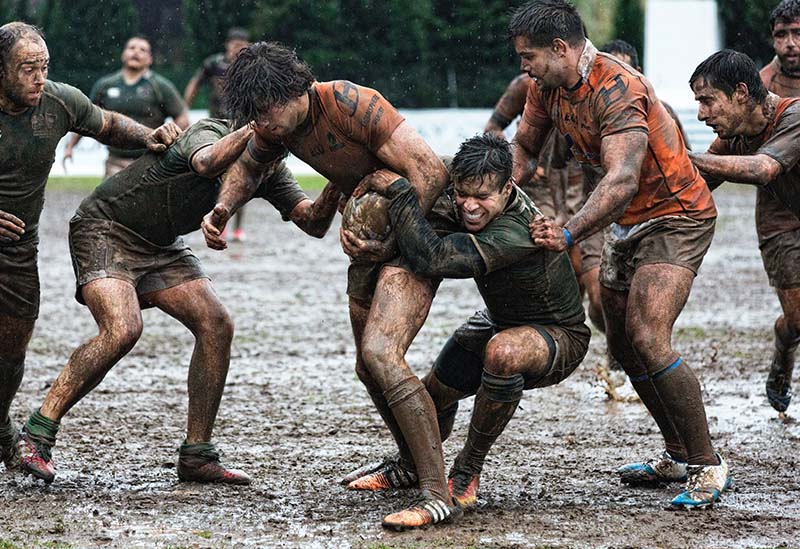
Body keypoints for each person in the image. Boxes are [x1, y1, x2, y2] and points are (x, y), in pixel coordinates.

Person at [201, 42, 458, 529]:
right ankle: (410, 464)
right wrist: (221, 210)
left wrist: (394, 243)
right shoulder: (276, 126)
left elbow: (430, 172)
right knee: (368, 366)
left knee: (383, 354)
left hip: (421, 232)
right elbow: (250, 168)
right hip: (369, 240)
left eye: (267, 111)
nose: (262, 124)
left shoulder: (348, 102)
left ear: (296, 89)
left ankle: (435, 493)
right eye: (253, 114)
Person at [17, 117, 341, 485]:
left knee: (216, 324)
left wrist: (341, 180)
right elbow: (207, 162)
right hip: (105, 228)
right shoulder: (209, 132)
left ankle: (197, 455)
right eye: (286, 128)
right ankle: (37, 433)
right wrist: (258, 129)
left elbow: (313, 222)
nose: (292, 139)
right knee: (122, 328)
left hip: (161, 245)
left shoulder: (270, 169)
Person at [510, 0, 729, 507]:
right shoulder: (546, 88)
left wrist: (567, 233)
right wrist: (490, 185)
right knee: (625, 344)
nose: (523, 68)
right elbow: (523, 147)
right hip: (626, 221)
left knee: (649, 336)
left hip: (676, 214)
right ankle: (675, 454)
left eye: (529, 57)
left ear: (560, 48)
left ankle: (708, 465)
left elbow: (623, 178)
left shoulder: (618, 87)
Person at [345, 133, 590, 512]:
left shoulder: (519, 230)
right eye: (463, 194)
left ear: (508, 187)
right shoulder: (460, 191)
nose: (470, 206)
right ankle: (410, 465)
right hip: (497, 322)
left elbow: (435, 258)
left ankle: (466, 469)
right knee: (430, 396)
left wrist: (401, 192)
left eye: (483, 197)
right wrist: (378, 245)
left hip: (557, 335)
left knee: (503, 352)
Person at [0, 22, 180, 473]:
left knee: (11, 352)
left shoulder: (58, 100)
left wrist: (148, 136)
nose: (39, 78)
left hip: (17, 251)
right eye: (27, 69)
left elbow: (108, 124)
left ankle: (1, 425)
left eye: (44, 67)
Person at [687, 47, 800, 414]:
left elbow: (763, 170)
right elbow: (698, 185)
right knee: (798, 320)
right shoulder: (734, 135)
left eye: (707, 101)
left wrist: (680, 155)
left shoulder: (794, 115)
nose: (702, 114)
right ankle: (785, 344)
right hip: (781, 218)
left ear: (739, 92)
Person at [485, 74, 605, 336]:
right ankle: (557, 325)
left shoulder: (594, 88)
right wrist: (517, 159)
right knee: (550, 255)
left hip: (579, 183)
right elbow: (492, 128)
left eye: (530, 56)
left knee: (588, 277)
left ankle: (597, 331)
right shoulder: (525, 86)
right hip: (537, 188)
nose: (527, 66)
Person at [62, 35, 189, 178]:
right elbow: (86, 116)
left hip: (150, 161)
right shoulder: (105, 85)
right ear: (123, 54)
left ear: (150, 59)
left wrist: (176, 146)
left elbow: (182, 118)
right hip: (115, 161)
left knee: (148, 200)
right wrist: (70, 146)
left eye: (142, 50)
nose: (136, 52)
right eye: (131, 48)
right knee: (110, 199)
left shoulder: (161, 86)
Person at [184, 27, 252, 242]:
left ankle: (238, 228)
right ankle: (217, 223)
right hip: (217, 125)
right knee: (216, 176)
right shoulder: (214, 64)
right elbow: (195, 83)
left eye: (241, 45)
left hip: (242, 126)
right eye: (234, 44)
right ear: (227, 45)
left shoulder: (250, 66)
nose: (236, 48)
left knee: (241, 177)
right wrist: (184, 108)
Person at [599, 39, 692, 148]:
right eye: (610, 76)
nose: (616, 84)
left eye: (623, 75)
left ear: (638, 73)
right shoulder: (590, 117)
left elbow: (685, 156)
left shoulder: (662, 111)